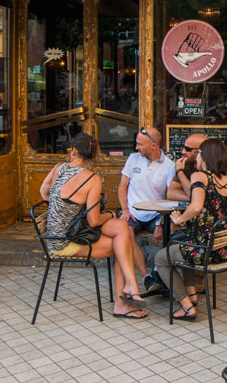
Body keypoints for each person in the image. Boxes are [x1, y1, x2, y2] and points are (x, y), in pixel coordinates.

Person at [39, 133, 148, 319]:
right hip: (65, 242)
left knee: (122, 228)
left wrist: (62, 208)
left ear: (73, 151)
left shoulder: (58, 168)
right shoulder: (91, 179)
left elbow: (44, 192)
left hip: (60, 233)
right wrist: (111, 214)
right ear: (94, 156)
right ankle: (123, 299)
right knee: (121, 246)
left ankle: (130, 286)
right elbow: (94, 221)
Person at [162, 138, 227, 322]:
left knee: (161, 259)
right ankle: (192, 295)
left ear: (207, 156)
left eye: (199, 152)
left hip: (203, 250)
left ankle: (186, 306)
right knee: (183, 244)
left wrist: (180, 219)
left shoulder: (200, 176)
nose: (197, 155)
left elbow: (195, 207)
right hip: (222, 251)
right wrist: (222, 225)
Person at [117, 125, 175, 294]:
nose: (136, 147)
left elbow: (170, 197)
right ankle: (147, 277)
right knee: (124, 232)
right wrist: (125, 209)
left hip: (156, 215)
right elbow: (122, 187)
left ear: (154, 146)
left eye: (140, 144)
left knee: (170, 231)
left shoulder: (169, 166)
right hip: (133, 213)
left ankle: (158, 271)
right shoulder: (133, 159)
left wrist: (160, 222)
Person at [165, 133, 208, 203]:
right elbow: (171, 193)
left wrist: (180, 172)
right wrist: (198, 198)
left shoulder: (214, 166)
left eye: (188, 149)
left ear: (200, 151)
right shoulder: (185, 164)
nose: (183, 151)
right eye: (183, 147)